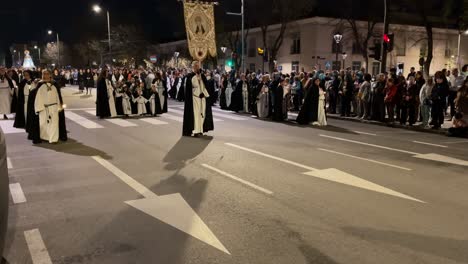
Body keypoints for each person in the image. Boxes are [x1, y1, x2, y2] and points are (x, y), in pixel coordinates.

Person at [28, 70, 67, 144]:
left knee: (54, 124)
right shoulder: (40, 84)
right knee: (44, 123)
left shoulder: (54, 84)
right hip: (44, 108)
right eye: (44, 74)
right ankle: (45, 137)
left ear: (50, 75)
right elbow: (38, 97)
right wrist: (39, 108)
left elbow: (58, 97)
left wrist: (59, 107)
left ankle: (53, 139)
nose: (45, 75)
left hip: (54, 107)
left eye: (47, 74)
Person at [182, 61, 214, 137]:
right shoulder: (190, 77)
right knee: (196, 115)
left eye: (198, 66)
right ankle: (195, 131)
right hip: (195, 99)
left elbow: (207, 87)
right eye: (195, 66)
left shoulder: (202, 76)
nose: (197, 67)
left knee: (202, 114)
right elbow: (189, 89)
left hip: (202, 98)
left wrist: (204, 93)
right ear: (193, 67)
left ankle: (201, 130)